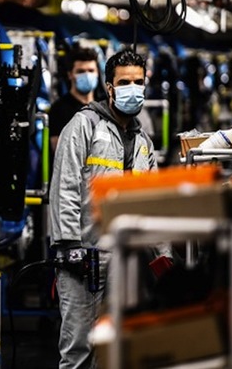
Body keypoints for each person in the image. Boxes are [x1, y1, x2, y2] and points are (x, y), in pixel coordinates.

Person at [49, 49, 160, 369]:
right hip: (85, 258)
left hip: (126, 261)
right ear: (109, 88)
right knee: (80, 349)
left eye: (138, 82)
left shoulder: (143, 143)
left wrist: (162, 256)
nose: (133, 89)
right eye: (124, 82)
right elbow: (64, 187)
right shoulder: (83, 126)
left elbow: (150, 204)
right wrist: (69, 245)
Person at [49, 47, 101, 153]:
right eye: (81, 71)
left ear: (97, 73)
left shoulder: (104, 106)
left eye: (91, 71)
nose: (87, 75)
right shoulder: (59, 109)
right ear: (70, 75)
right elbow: (59, 150)